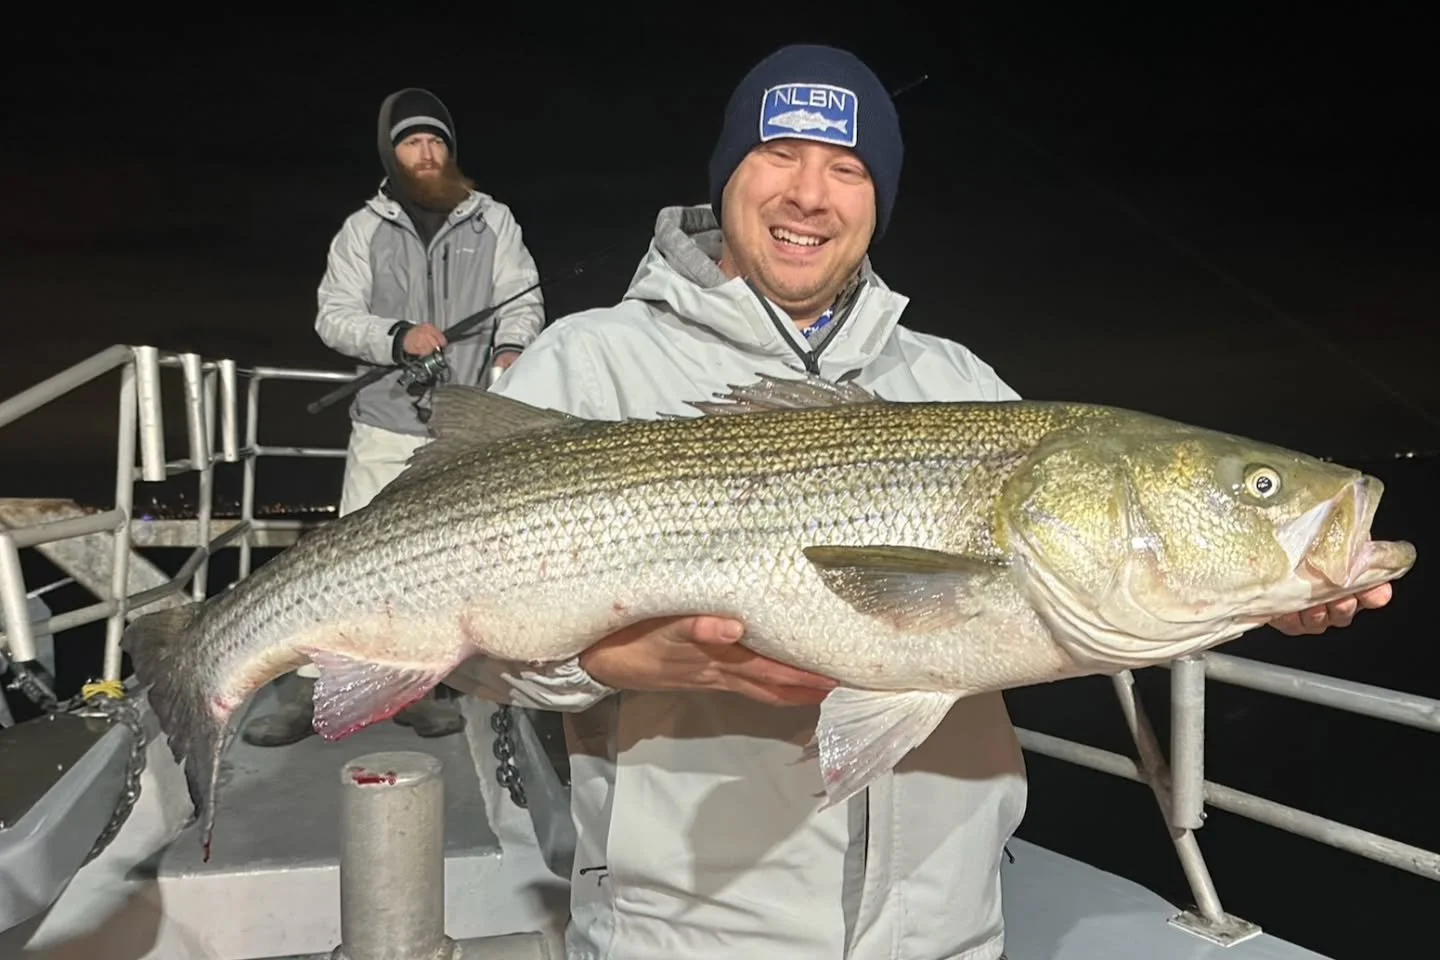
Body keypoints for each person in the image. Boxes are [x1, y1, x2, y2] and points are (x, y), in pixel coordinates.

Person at [455, 45, 1396, 959]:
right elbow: (464, 654)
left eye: (848, 168)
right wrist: (617, 665)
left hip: (947, 925)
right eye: (778, 154)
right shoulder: (590, 363)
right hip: (689, 932)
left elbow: (1089, 589)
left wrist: (1265, 594)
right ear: (727, 173)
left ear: (880, 200)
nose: (808, 194)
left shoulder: (956, 379)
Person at [242, 87, 547, 747]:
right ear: (391, 152)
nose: (428, 153)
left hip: (464, 430)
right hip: (385, 423)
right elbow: (334, 315)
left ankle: (416, 690)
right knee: (340, 570)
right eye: (413, 142)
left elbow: (522, 299)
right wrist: (397, 337)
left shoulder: (492, 220)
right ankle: (306, 691)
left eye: (437, 142)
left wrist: (512, 348)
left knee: (440, 572)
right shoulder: (363, 229)